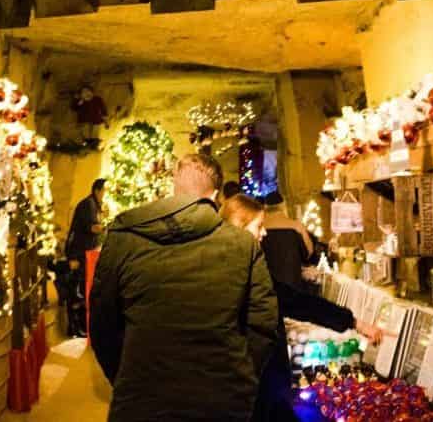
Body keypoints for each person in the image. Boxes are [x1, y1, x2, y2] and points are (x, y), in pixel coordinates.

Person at [90, 153, 279, 422]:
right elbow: (263, 324)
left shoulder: (124, 239)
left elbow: (102, 324)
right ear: (214, 195)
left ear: (174, 188)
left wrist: (128, 376)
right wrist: (239, 378)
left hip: (142, 399)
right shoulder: (243, 245)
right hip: (221, 401)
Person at [220, 194, 382, 422]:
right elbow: (296, 301)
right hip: (254, 387)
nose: (264, 233)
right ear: (240, 228)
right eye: (259, 226)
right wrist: (353, 322)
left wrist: (352, 322)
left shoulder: (241, 268)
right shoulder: (240, 275)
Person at [64, 178, 106, 336]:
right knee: (78, 291)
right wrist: (106, 226)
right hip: (78, 252)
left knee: (80, 290)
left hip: (82, 251)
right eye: (103, 191)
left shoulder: (93, 204)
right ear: (97, 190)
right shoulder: (89, 205)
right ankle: (76, 328)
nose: (104, 194)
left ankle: (79, 327)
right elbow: (93, 228)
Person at [261, 189, 313, 287]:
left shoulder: (259, 229)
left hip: (267, 285)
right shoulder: (296, 226)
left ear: (265, 207)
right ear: (283, 206)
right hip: (292, 284)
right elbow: (308, 253)